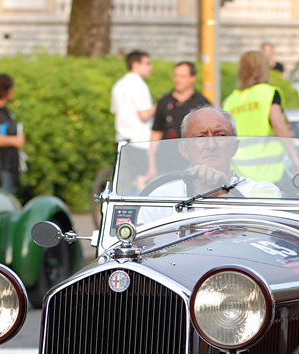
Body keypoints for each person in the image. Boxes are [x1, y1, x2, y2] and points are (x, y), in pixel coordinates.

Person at [137, 107, 280, 225]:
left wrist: (222, 194)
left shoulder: (261, 192)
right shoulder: (160, 197)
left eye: (221, 136)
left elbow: (261, 239)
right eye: (201, 137)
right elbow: (142, 249)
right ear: (184, 149)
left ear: (234, 147)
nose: (211, 145)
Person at [222, 50, 298, 182]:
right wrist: (294, 157)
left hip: (238, 170)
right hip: (267, 169)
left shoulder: (230, 100)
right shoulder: (267, 93)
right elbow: (277, 123)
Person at [149, 61, 212, 176]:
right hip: (165, 163)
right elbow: (156, 134)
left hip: (192, 163)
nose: (178, 79)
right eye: (176, 75)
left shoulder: (202, 103)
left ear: (192, 78)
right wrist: (151, 165)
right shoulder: (163, 102)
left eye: (182, 76)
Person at [111, 50, 156, 187]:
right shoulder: (139, 85)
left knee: (123, 182)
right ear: (136, 64)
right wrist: (158, 106)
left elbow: (115, 110)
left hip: (122, 138)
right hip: (139, 140)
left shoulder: (118, 85)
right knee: (142, 180)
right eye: (147, 63)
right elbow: (144, 114)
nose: (151, 67)